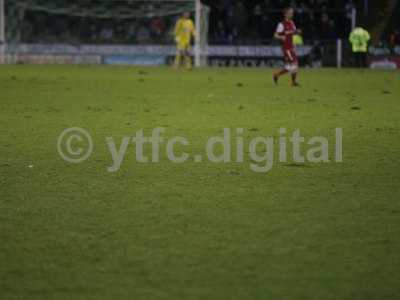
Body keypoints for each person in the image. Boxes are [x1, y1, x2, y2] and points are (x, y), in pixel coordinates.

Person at [273, 7, 302, 87]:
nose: (291, 14)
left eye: (292, 13)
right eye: (290, 13)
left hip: (292, 47)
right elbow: (275, 35)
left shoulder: (292, 23)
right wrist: (281, 37)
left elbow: (293, 33)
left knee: (289, 67)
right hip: (286, 48)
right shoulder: (281, 24)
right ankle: (293, 82)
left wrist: (297, 32)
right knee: (294, 64)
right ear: (285, 14)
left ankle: (276, 75)